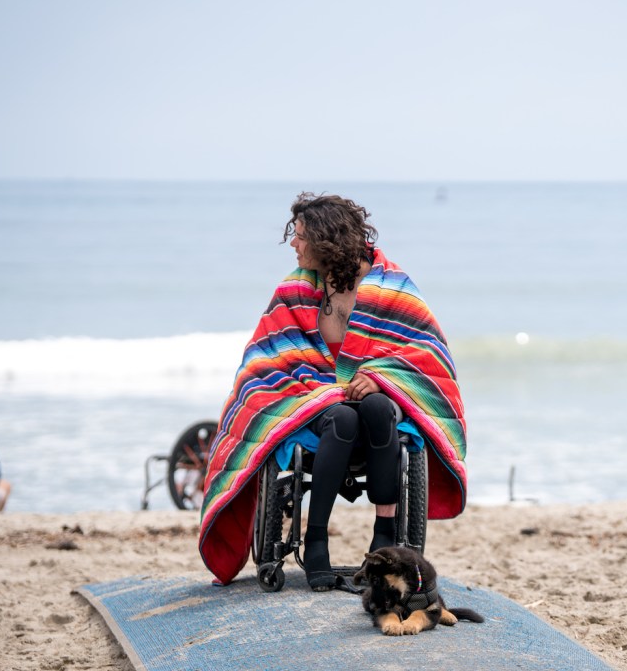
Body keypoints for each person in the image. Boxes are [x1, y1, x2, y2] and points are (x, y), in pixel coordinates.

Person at [198, 193, 468, 590]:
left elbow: (425, 352)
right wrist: (326, 391)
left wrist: (379, 376)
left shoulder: (392, 287)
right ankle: (317, 537)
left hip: (379, 404)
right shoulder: (295, 290)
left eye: (301, 236)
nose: (294, 243)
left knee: (376, 407)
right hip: (318, 400)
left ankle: (385, 533)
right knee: (342, 415)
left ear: (326, 240)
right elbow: (269, 358)